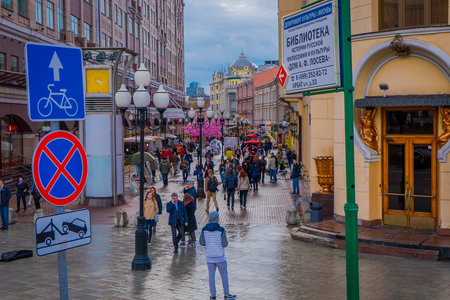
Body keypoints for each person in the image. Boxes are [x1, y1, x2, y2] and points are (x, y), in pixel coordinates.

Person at [199, 212, 237, 300]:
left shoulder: (204, 229)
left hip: (209, 256)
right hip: (220, 256)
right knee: (224, 275)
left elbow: (202, 242)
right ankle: (226, 295)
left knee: (211, 276)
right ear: (217, 218)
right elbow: (225, 244)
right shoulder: (221, 229)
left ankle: (213, 295)